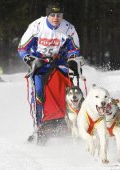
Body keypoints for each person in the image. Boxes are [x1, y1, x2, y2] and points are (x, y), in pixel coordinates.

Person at [18, 3, 83, 143]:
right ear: (47, 15)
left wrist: (72, 60)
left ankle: (71, 122)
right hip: (40, 62)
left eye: (59, 15)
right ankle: (39, 126)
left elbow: (74, 49)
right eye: (52, 15)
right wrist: (30, 60)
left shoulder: (68, 28)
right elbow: (22, 48)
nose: (56, 18)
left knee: (71, 88)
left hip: (60, 61)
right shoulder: (36, 26)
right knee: (39, 92)